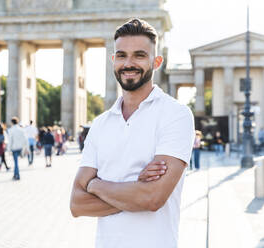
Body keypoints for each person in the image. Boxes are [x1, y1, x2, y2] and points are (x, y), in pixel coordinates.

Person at [69, 19, 195, 248]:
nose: (129, 63)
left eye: (139, 55)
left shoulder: (176, 115)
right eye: (121, 55)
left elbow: (153, 198)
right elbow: (77, 204)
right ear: (113, 60)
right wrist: (136, 191)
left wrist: (95, 185)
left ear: (156, 62)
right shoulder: (100, 124)